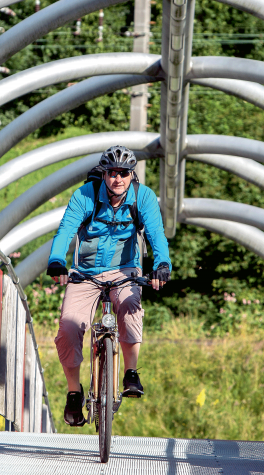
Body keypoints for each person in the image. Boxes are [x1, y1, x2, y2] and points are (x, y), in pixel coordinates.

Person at [46, 145, 171, 427]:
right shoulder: (84, 196)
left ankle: (130, 372)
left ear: (131, 175)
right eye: (112, 173)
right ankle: (74, 392)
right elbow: (65, 230)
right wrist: (56, 261)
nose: (118, 179)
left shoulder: (144, 198)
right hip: (85, 272)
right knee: (69, 325)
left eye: (124, 173)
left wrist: (162, 265)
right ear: (104, 174)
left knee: (130, 305)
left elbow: (156, 235)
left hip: (125, 269)